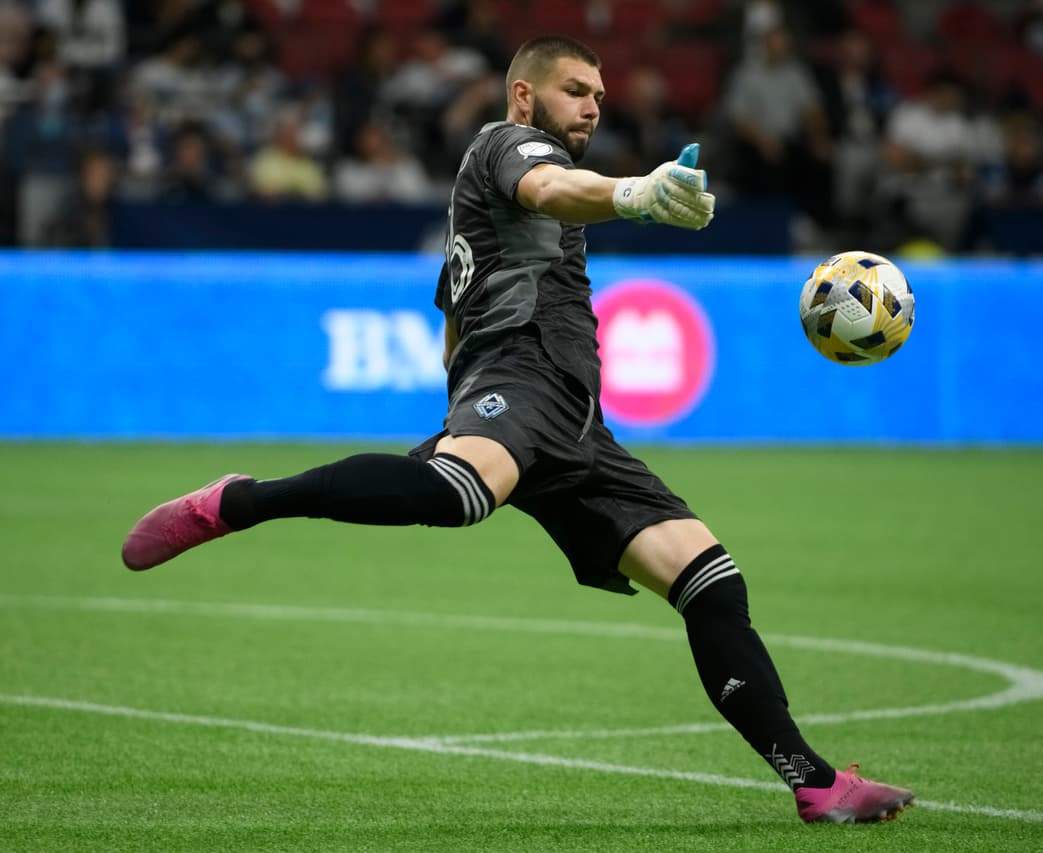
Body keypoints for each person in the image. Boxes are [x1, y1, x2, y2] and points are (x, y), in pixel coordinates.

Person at [120, 34, 914, 826]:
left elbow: (452, 315)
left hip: (578, 425)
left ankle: (812, 781)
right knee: (457, 494)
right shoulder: (508, 144)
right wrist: (635, 194)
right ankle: (237, 502)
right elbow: (552, 190)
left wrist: (462, 397)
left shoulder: (490, 200)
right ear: (526, 95)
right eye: (576, 90)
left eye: (600, 95)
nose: (594, 106)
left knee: (711, 581)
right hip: (524, 379)